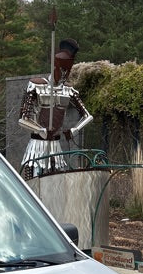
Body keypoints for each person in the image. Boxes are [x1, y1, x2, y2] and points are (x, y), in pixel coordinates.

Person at [18, 39, 93, 179]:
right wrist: (40, 130)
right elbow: (23, 119)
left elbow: (87, 115)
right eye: (62, 70)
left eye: (67, 71)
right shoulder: (36, 86)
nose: (64, 75)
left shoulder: (68, 90)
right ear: (55, 67)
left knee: (56, 182)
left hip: (56, 145)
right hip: (37, 145)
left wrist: (75, 129)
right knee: (33, 180)